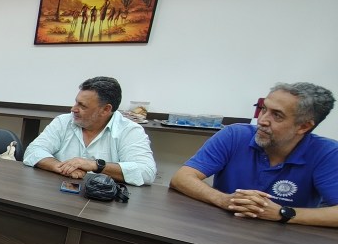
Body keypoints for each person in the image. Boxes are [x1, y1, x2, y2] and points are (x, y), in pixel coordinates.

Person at [170, 82, 338, 227]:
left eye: (277, 115)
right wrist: (224, 200)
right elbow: (181, 178)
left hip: (286, 240)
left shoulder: (327, 153)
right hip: (222, 229)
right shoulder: (234, 135)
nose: (262, 120)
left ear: (304, 127)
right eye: (263, 109)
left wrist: (282, 213)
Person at [23, 76, 156, 185]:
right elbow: (33, 150)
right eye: (76, 102)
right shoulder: (63, 122)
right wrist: (61, 167)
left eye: (82, 106)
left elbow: (147, 172)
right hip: (59, 192)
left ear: (106, 109)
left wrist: (96, 165)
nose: (73, 109)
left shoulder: (129, 131)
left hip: (105, 202)